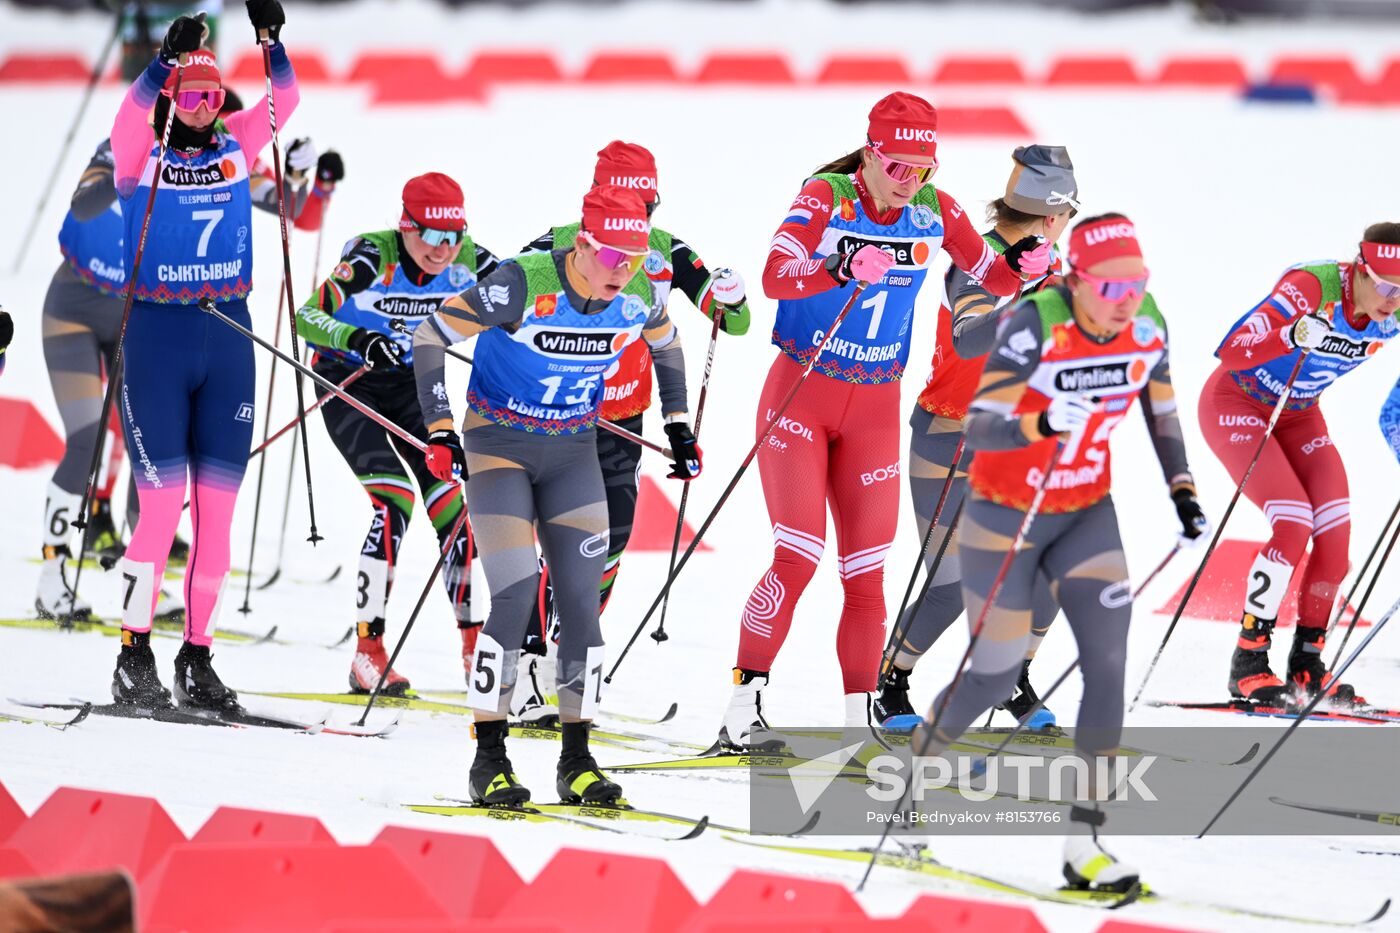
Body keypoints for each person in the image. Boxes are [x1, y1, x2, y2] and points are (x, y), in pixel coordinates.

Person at [718, 92, 1051, 748]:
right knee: (798, 555)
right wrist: (835, 265)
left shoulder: (934, 208)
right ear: (870, 155)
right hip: (802, 396)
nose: (911, 183)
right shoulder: (826, 196)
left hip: (874, 404)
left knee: (866, 571)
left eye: (923, 169)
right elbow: (775, 276)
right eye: (898, 168)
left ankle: (856, 727)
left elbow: (990, 274)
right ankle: (742, 706)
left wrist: (1022, 266)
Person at [912, 213, 1207, 891]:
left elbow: (1161, 409)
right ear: (1076, 280)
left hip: (1084, 513)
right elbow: (982, 425)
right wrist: (1041, 420)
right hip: (1004, 514)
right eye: (1109, 287)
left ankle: (1086, 842)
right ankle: (911, 786)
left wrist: (1182, 489)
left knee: (1107, 663)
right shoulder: (1036, 322)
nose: (1125, 299)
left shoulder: (1146, 324)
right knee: (993, 672)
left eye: (1136, 283)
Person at [412, 186, 697, 807]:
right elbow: (431, 337)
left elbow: (668, 346)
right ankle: (488, 757)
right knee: (514, 596)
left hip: (572, 454)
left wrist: (677, 423)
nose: (626, 270)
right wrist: (437, 429)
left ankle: (577, 760)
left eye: (636, 257)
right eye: (615, 257)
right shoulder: (521, 282)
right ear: (583, 245)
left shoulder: (639, 292)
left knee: (581, 605)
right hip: (499, 449)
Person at [35, 96, 326, 624]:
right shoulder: (131, 150)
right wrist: (133, 174)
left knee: (152, 448)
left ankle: (136, 566)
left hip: (145, 319)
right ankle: (51, 578)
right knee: (84, 442)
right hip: (76, 308)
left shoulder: (210, 166)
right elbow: (82, 205)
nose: (206, 133)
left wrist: (307, 181)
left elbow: (284, 205)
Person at [510, 140, 750, 722]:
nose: (639, 218)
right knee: (553, 545)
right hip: (557, 416)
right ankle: (522, 667)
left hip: (624, 418)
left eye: (647, 204)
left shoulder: (665, 252)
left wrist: (730, 294)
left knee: (610, 545)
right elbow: (505, 308)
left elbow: (733, 323)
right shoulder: (559, 242)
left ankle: (563, 660)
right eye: (627, 202)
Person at [108, 2, 298, 712]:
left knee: (216, 517)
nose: (202, 106)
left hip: (228, 338)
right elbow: (128, 121)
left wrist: (271, 43)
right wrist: (161, 63)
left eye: (212, 95)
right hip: (157, 338)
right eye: (190, 95)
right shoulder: (141, 157)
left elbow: (287, 100)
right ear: (172, 99)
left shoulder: (235, 148)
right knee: (160, 511)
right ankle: (133, 651)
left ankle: (198, 655)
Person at [876, 145, 1078, 731]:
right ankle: (890, 680)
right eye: (1071, 210)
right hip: (950, 434)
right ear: (1051, 213)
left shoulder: (1054, 260)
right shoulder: (979, 257)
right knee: (951, 584)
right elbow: (969, 340)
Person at [296, 173, 498, 694]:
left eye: (453, 236)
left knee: (451, 503)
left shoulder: (469, 259)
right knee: (394, 498)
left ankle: (475, 645)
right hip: (348, 379)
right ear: (406, 226)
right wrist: (358, 337)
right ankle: (368, 652)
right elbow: (307, 316)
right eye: (431, 235)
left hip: (411, 384)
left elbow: (526, 298)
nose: (443, 249)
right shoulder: (371, 256)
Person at [1203, 223, 1400, 703]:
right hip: (1238, 400)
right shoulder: (1313, 286)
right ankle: (1248, 661)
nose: (1393, 301)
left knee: (1335, 533)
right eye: (1388, 286)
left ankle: (1306, 664)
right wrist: (1288, 336)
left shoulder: (1395, 307)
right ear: (1360, 270)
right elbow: (1230, 352)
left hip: (1299, 412)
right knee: (1292, 521)